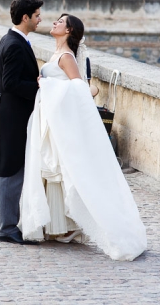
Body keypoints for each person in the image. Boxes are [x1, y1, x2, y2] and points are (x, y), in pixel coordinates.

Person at [20, 14, 147, 261]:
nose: (54, 22)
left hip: (58, 123)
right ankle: (56, 227)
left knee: (60, 172)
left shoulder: (66, 57)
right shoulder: (58, 54)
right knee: (52, 172)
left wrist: (47, 86)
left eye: (60, 21)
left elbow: (81, 89)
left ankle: (66, 227)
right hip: (49, 120)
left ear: (68, 31)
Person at [0, 0, 43, 245]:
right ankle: (7, 227)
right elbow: (10, 83)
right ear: (25, 17)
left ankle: (4, 220)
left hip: (11, 114)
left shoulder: (13, 40)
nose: (40, 20)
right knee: (12, 171)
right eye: (37, 15)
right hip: (14, 116)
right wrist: (39, 87)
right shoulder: (16, 44)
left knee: (12, 170)